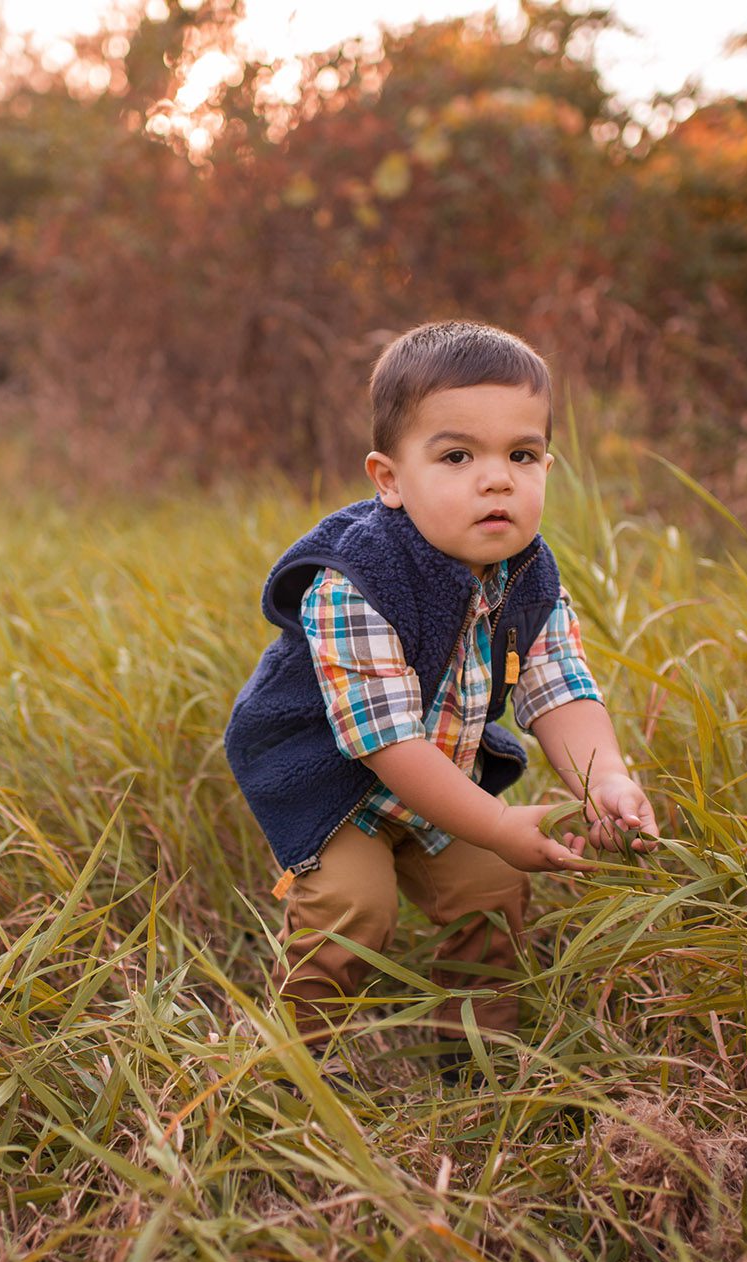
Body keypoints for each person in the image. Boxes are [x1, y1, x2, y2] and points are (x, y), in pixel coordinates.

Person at [223, 319, 656, 1083]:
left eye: (522, 455)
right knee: (356, 908)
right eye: (458, 455)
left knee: (492, 888)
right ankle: (288, 1071)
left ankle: (479, 1061)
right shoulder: (356, 580)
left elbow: (561, 689)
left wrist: (606, 778)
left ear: (548, 465)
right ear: (389, 479)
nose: (497, 479)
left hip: (437, 778)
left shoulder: (527, 573)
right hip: (334, 783)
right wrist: (494, 821)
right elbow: (387, 744)